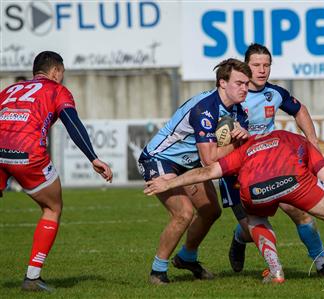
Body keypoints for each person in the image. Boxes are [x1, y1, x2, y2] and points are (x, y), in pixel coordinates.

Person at [144, 130, 324, 284]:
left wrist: (170, 182)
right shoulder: (294, 139)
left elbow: (208, 171)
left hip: (255, 189)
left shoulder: (244, 151)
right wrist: (316, 191)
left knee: (255, 219)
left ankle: (275, 272)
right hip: (295, 181)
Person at [221, 43, 324, 277]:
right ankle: (238, 238)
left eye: (267, 65)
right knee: (251, 227)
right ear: (246, 66)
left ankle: (322, 265)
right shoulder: (232, 97)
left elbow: (300, 110)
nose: (262, 70)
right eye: (256, 65)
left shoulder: (275, 93)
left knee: (301, 213)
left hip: (273, 165)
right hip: (240, 170)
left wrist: (313, 142)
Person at [0, 51, 113, 292]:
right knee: (52, 208)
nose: (62, 77)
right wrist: (93, 157)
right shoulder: (56, 90)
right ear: (55, 71)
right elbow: (72, 123)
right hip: (27, 154)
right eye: (62, 73)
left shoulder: (10, 90)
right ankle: (32, 277)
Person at [138, 58, 252, 284]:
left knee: (211, 211)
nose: (245, 88)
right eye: (239, 83)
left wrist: (243, 137)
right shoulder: (205, 109)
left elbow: (232, 147)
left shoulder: (239, 112)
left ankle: (187, 257)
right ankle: (157, 271)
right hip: (160, 159)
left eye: (247, 84)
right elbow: (209, 158)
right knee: (183, 213)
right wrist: (239, 143)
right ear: (222, 83)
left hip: (188, 164)